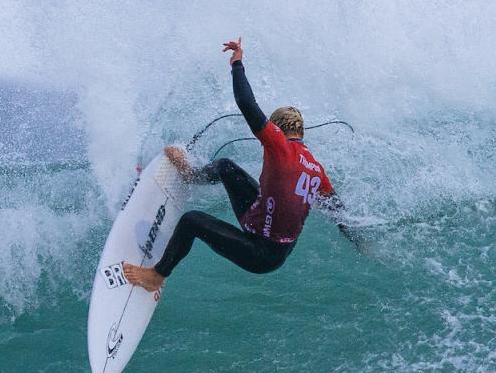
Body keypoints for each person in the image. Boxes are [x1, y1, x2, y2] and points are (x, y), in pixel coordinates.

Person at [121, 38, 353, 294]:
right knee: (225, 167)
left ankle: (156, 275)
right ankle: (190, 175)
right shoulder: (316, 169)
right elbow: (339, 211)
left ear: (278, 128)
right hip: (268, 229)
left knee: (191, 221)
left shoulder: (279, 145)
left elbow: (246, 103)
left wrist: (237, 62)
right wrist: (357, 238)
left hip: (261, 252)